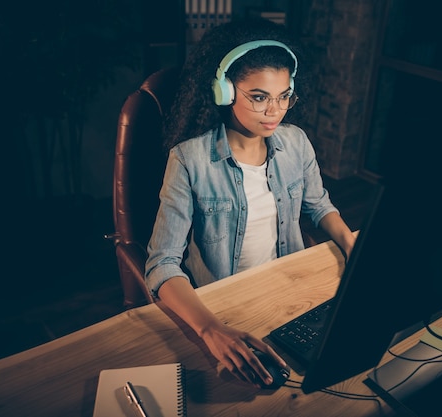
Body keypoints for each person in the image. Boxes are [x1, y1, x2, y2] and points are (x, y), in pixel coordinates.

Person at [144, 18, 356, 389]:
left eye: (283, 96)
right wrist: (211, 330)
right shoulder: (188, 160)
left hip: (285, 294)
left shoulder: (297, 143)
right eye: (259, 97)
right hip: (222, 307)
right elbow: (161, 264)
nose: (274, 111)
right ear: (224, 92)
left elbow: (318, 205)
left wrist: (354, 245)